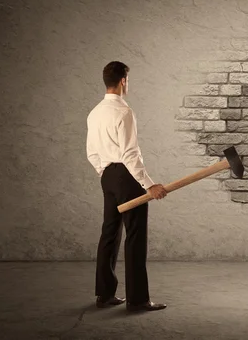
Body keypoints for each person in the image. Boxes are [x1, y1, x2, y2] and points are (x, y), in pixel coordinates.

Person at [86, 61, 167, 312]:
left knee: (109, 233)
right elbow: (130, 154)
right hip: (126, 176)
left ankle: (105, 295)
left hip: (108, 176)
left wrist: (105, 173)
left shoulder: (94, 112)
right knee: (135, 236)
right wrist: (150, 185)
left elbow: (91, 153)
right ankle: (138, 300)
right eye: (128, 80)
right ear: (123, 81)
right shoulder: (124, 111)